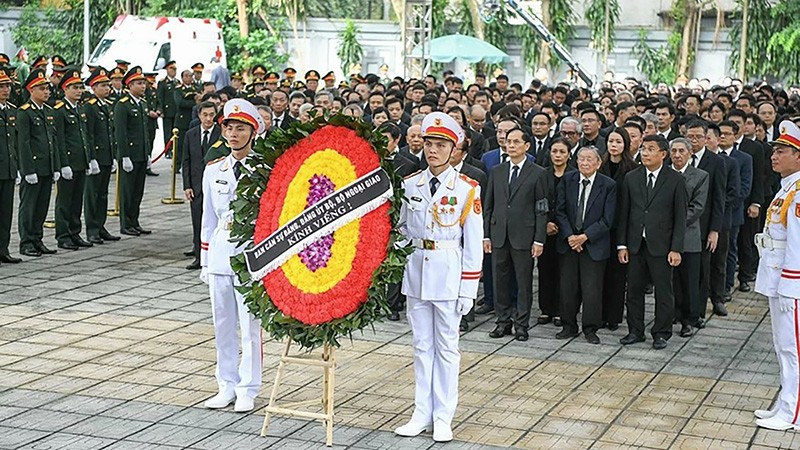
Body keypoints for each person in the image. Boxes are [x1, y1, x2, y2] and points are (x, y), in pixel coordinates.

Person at [394, 112, 482, 443]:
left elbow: (472, 243)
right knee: (421, 346)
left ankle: (444, 415)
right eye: (429, 144)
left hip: (448, 273)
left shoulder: (466, 189)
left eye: (441, 145)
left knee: (447, 348)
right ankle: (421, 412)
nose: (433, 150)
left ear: (454, 148)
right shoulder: (409, 184)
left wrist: (468, 289)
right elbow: (402, 231)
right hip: (416, 272)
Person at [200, 98, 266, 413]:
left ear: (253, 132)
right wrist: (204, 258)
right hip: (220, 253)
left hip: (251, 254)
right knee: (222, 323)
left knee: (250, 325)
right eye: (230, 127)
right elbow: (208, 218)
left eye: (241, 128)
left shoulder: (264, 169)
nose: (234, 134)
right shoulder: (215, 169)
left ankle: (248, 388)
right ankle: (225, 384)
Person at [617, 134, 687, 350]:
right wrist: (622, 245)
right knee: (634, 290)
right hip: (636, 244)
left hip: (662, 245)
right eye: (643, 148)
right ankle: (635, 331)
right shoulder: (632, 177)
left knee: (663, 292)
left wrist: (676, 248)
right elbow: (624, 214)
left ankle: (661, 332)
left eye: (650, 149)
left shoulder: (675, 180)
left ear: (663, 154)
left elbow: (680, 217)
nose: (645, 153)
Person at [753, 119, 800, 431]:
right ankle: (786, 402)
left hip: (790, 285)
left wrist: (789, 288)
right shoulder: (787, 188)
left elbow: (797, 244)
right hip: (777, 278)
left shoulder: (797, 193)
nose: (774, 155)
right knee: (782, 345)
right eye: (775, 150)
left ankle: (793, 413)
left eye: (782, 151)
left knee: (793, 348)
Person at [484, 127, 547, 342]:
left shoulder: (538, 172)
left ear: (526, 146)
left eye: (516, 142)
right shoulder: (497, 171)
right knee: (500, 280)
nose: (511, 145)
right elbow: (489, 206)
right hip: (499, 234)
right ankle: (503, 321)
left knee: (523, 283)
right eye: (508, 141)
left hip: (524, 236)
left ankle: (522, 324)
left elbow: (542, 209)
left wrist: (539, 238)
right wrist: (486, 235)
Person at [554, 146, 616, 344]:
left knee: (592, 290)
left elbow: (608, 219)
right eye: (581, 159)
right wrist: (571, 236)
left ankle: (590, 328)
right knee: (567, 288)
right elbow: (560, 211)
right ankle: (568, 325)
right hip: (569, 244)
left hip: (593, 245)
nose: (585, 163)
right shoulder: (568, 180)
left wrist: (585, 237)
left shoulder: (608, 185)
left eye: (590, 159)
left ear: (598, 163)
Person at [53, 67, 97, 250]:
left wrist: (90, 159)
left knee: (77, 199)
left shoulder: (80, 108)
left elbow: (85, 136)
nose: (79, 91)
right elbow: (59, 139)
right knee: (65, 201)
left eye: (80, 87)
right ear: (65, 89)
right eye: (74, 87)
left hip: (80, 161)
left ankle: (75, 232)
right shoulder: (59, 110)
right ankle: (63, 235)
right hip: (68, 162)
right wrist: (63, 164)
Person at [598, 128, 638, 330]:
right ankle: (599, 314)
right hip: (600, 226)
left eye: (618, 142)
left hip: (621, 225)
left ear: (626, 145)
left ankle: (613, 316)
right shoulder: (600, 165)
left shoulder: (632, 168)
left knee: (617, 274)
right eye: (611, 141)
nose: (614, 145)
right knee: (599, 273)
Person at [669, 138, 709, 337]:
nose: (677, 155)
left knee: (689, 280)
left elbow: (697, 207)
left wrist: (673, 223)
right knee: (670, 280)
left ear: (689, 153)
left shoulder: (700, 176)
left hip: (688, 236)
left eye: (681, 151)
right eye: (674, 151)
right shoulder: (664, 173)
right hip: (664, 237)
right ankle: (673, 314)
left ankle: (690, 320)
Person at [17, 69, 59, 257]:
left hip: (46, 166)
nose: (46, 92)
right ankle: (26, 242)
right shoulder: (24, 113)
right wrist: (27, 169)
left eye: (47, 89)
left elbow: (53, 140)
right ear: (31, 90)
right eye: (41, 89)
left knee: (42, 205)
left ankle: (37, 239)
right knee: (29, 206)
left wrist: (56, 166)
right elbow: (23, 143)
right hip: (33, 167)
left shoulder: (48, 111)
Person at [538, 137, 574, 326]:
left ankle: (562, 310)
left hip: (567, 232)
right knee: (545, 270)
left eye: (562, 152)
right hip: (546, 231)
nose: (558, 155)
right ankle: (546, 309)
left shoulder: (574, 175)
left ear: (569, 154)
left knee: (565, 273)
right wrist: (545, 223)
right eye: (554, 151)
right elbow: (537, 202)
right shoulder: (542, 175)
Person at [83, 67, 121, 245]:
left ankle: (100, 226)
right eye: (103, 85)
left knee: (103, 194)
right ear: (94, 87)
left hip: (106, 156)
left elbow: (111, 133)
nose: (107, 88)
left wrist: (113, 156)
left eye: (108, 85)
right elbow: (88, 135)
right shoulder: (90, 107)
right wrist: (91, 158)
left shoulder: (107, 105)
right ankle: (92, 229)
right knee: (93, 195)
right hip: (96, 157)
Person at [114, 66, 152, 236]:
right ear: (129, 85)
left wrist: (148, 153)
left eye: (143, 83)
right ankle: (126, 223)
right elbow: (120, 132)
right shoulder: (123, 105)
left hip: (141, 153)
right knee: (127, 191)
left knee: (138, 191)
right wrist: (124, 156)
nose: (143, 86)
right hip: (130, 154)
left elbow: (145, 132)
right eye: (139, 83)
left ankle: (134, 221)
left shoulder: (143, 103)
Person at [183, 101, 221, 270]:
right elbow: (186, 162)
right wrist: (187, 186)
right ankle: (199, 257)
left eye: (211, 115)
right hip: (196, 186)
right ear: (199, 115)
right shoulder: (191, 134)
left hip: (215, 186)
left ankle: (214, 256)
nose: (208, 118)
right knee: (198, 221)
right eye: (204, 115)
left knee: (214, 222)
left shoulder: (221, 134)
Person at [0, 68, 21, 264]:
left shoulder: (11, 110)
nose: (6, 90)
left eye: (7, 86)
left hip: (8, 169)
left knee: (6, 212)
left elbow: (14, 142)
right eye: (2, 86)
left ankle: (3, 249)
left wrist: (18, 166)